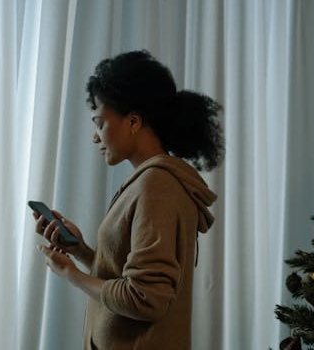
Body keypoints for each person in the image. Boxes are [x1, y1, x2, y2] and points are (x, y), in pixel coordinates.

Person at [33, 50, 224, 349]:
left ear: (133, 121)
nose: (96, 137)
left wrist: (71, 275)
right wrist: (81, 251)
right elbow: (130, 276)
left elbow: (145, 298)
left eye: (100, 123)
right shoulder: (150, 182)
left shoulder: (156, 186)